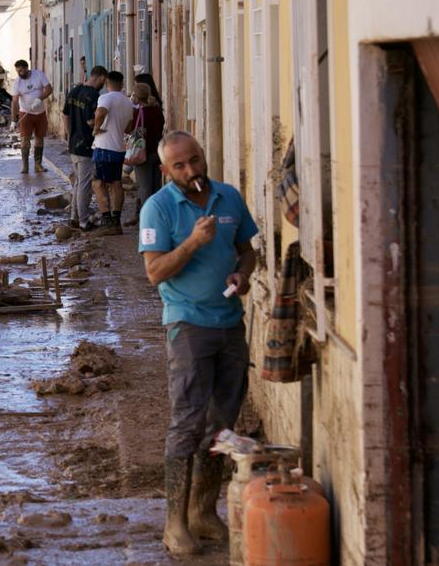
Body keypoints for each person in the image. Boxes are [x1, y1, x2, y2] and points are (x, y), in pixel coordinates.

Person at [138, 131, 258, 557]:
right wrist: (192, 242)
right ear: (166, 171)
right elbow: (155, 273)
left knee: (221, 424)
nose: (192, 171)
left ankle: (203, 512)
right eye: (180, 166)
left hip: (230, 323)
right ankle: (174, 525)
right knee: (187, 423)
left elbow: (247, 250)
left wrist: (242, 274)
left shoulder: (228, 198)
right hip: (187, 325)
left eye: (195, 160)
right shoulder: (158, 208)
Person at [62, 65, 107, 229]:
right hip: (86, 146)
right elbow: (90, 122)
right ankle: (83, 221)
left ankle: (74, 218)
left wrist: (69, 135)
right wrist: (102, 129)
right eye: (104, 81)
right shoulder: (93, 96)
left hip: (73, 143)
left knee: (78, 183)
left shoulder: (74, 91)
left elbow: (65, 115)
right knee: (85, 185)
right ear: (101, 77)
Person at [91, 70, 133, 234]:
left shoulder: (105, 98)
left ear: (107, 84)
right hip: (119, 147)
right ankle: (116, 220)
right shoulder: (127, 102)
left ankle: (107, 221)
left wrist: (96, 128)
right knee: (116, 182)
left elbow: (101, 112)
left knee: (98, 183)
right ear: (122, 84)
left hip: (104, 147)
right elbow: (129, 128)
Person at [127, 82, 166, 210]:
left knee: (144, 188)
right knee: (156, 187)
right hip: (158, 151)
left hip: (143, 153)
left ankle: (148, 217)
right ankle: (158, 215)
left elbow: (130, 129)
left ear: (136, 97)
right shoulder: (157, 110)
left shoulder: (139, 113)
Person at [10, 59, 53, 173]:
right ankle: (25, 166)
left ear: (26, 68)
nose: (19, 73)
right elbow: (14, 102)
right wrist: (14, 120)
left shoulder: (38, 75)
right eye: (17, 71)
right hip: (25, 113)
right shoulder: (17, 82)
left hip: (40, 113)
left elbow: (49, 89)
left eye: (21, 71)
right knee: (25, 140)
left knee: (39, 138)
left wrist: (40, 99)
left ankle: (38, 165)